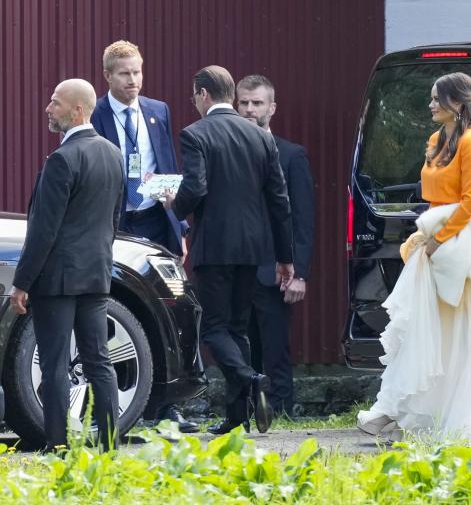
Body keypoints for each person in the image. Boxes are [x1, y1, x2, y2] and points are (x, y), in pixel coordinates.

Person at [357, 72, 471, 441]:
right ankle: (409, 410)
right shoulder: (435, 139)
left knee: (468, 330)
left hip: (459, 244)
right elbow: (431, 196)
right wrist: (423, 235)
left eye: (437, 99)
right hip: (433, 236)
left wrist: (439, 237)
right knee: (430, 329)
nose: (431, 105)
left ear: (457, 103)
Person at [163, 66, 294, 435]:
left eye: (194, 96)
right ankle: (238, 417)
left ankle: (250, 377)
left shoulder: (195, 134)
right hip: (254, 249)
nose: (193, 103)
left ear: (204, 94)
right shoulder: (260, 137)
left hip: (215, 247)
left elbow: (196, 188)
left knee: (214, 330)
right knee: (238, 330)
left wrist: (175, 203)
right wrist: (285, 259)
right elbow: (280, 201)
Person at [10, 79, 124, 451]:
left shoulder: (62, 159)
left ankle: (56, 445)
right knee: (99, 362)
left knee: (55, 365)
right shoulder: (112, 154)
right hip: (96, 276)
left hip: (57, 281)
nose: (48, 108)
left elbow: (43, 230)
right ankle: (109, 444)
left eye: (55, 103)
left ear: (78, 110)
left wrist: (22, 282)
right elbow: (113, 220)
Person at [90, 40, 198, 433]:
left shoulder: (157, 111)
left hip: (155, 220)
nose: (133, 80)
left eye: (137, 72)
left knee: (168, 309)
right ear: (107, 76)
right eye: (124, 73)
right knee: (123, 307)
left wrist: (179, 226)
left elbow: (165, 164)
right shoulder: (96, 113)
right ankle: (122, 401)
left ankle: (167, 408)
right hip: (118, 225)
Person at [236, 75, 315, 417]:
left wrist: (300, 272)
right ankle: (246, 409)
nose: (250, 109)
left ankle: (282, 408)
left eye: (257, 103)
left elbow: (303, 220)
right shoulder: (227, 150)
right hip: (237, 268)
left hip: (276, 270)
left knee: (276, 347)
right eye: (244, 102)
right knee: (240, 346)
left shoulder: (292, 155)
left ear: (272, 108)